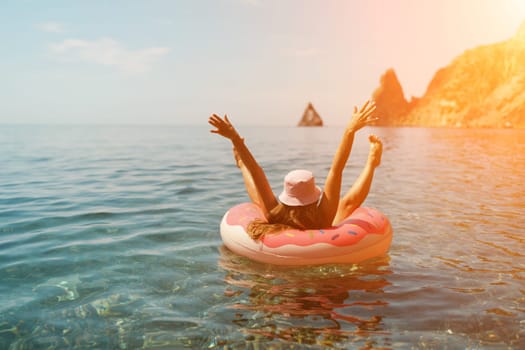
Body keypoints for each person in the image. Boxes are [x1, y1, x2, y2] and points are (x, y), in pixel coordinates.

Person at [208, 100, 382, 240]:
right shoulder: (324, 215)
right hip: (323, 256)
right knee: (346, 204)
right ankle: (371, 163)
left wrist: (235, 139)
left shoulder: (274, 214)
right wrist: (350, 130)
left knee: (259, 199)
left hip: (280, 259)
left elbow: (256, 171)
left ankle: (241, 165)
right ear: (314, 196)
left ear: (287, 196)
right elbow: (337, 169)